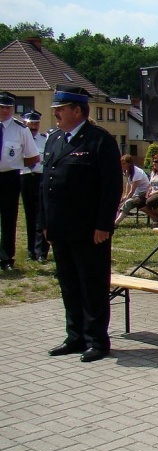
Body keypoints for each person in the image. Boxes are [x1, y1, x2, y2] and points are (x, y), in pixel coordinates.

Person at [41, 85, 123, 362]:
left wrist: (104, 225)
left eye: (60, 110)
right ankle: (75, 336)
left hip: (90, 230)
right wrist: (45, 223)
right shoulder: (54, 140)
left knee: (92, 285)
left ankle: (97, 340)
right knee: (69, 284)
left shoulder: (99, 141)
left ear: (78, 110)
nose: (56, 115)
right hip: (61, 228)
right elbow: (46, 185)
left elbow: (111, 187)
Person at [0, 92, 40, 271]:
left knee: (9, 218)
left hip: (10, 176)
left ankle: (7, 257)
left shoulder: (20, 129)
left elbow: (33, 156)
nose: (5, 111)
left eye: (8, 107)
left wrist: (15, 163)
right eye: (2, 107)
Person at [20, 110, 50, 262]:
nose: (34, 127)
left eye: (36, 123)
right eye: (30, 124)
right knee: (30, 216)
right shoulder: (21, 139)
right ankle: (31, 250)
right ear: (24, 124)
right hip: (25, 178)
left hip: (40, 178)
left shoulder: (45, 139)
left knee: (41, 215)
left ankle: (41, 252)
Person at [115, 155, 150, 226]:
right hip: (136, 194)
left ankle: (115, 223)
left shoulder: (137, 172)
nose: (122, 165)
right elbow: (128, 184)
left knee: (127, 203)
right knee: (121, 201)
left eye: (124, 163)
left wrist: (125, 200)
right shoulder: (127, 171)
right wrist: (125, 196)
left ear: (129, 163)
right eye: (121, 163)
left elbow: (132, 190)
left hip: (144, 193)